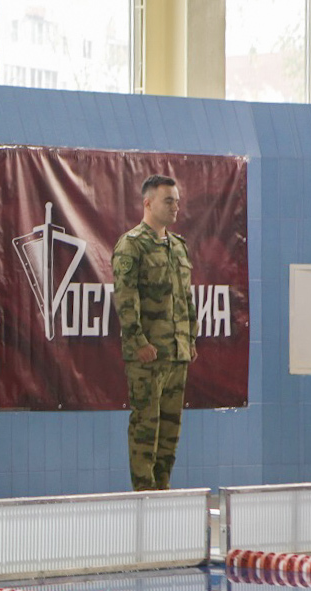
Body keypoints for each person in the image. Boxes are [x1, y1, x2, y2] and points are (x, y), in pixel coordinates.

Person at [111, 174, 197, 491]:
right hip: (148, 356)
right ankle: (145, 497)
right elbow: (125, 298)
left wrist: (190, 338)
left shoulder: (177, 246)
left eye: (177, 200)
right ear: (148, 203)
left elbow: (186, 298)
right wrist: (139, 343)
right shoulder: (132, 245)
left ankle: (164, 491)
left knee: (170, 430)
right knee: (146, 427)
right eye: (168, 200)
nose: (176, 206)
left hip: (176, 354)